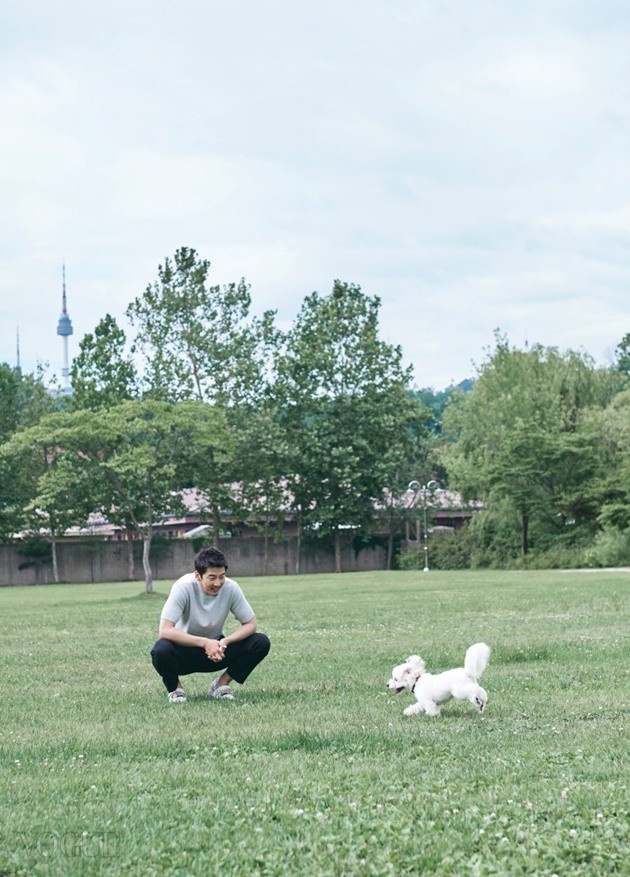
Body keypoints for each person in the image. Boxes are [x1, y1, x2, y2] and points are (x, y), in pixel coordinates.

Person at [151, 546, 270, 703]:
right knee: (160, 650)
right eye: (212, 577)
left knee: (260, 642)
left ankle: (220, 685)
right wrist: (205, 642)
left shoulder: (231, 587)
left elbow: (250, 624)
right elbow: (165, 631)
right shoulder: (182, 587)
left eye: (222, 576)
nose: (218, 583)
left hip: (217, 651)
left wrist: (225, 642)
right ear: (198, 576)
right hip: (184, 653)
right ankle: (176, 689)